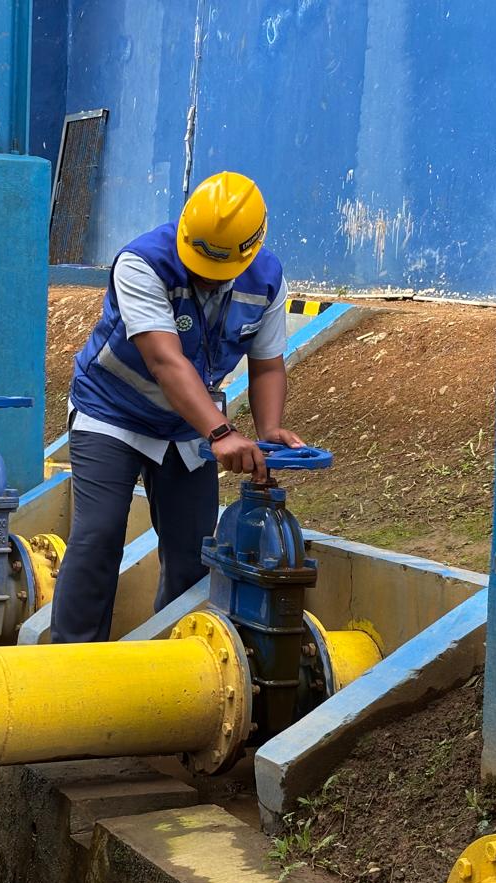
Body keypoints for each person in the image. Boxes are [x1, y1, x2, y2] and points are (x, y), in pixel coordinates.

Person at [50, 171, 304, 644]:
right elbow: (165, 361)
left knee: (193, 553)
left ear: (250, 250)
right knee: (98, 535)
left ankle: (175, 663)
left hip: (188, 425)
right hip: (112, 412)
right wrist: (221, 432)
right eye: (199, 264)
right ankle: (70, 659)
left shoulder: (268, 280)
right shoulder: (142, 263)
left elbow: (267, 365)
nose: (206, 277)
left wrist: (269, 429)